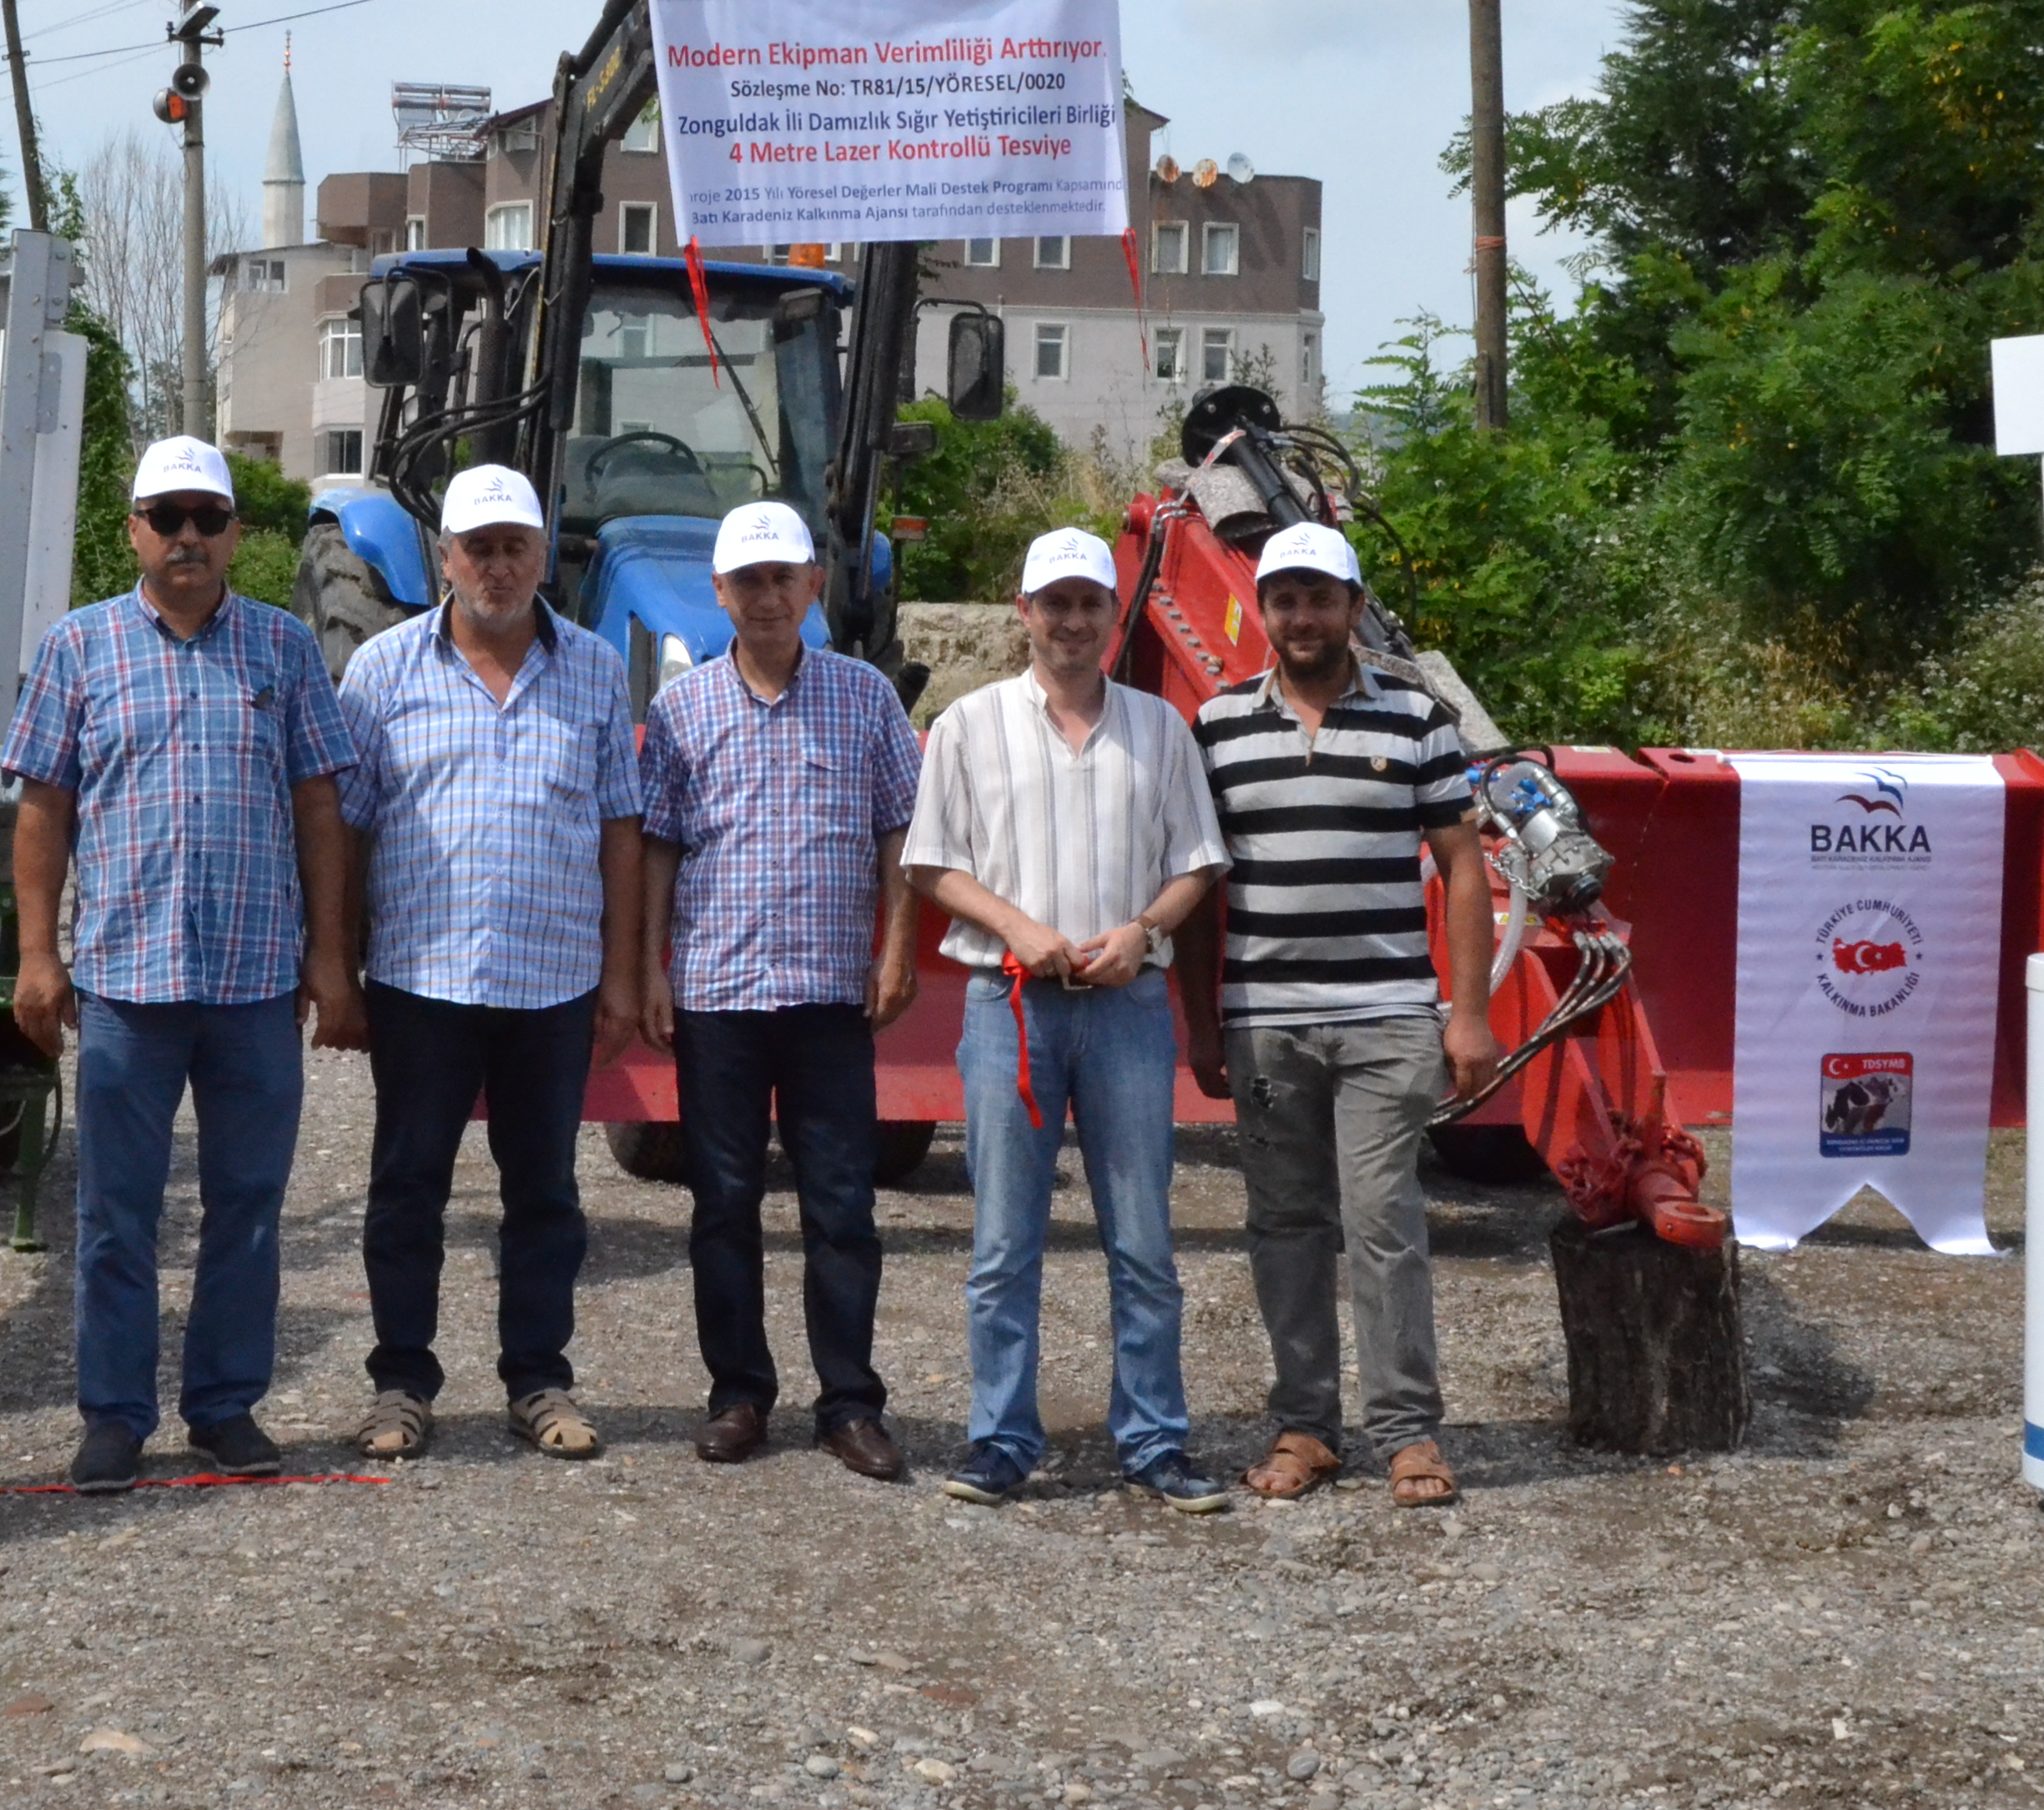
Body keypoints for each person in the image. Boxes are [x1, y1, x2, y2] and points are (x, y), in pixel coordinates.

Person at [3, 436, 360, 1491]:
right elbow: (43, 809)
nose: (190, 536)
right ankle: (115, 1416)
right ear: (134, 532)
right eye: (169, 517)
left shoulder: (286, 650)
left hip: (255, 982)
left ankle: (223, 1406)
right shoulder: (79, 647)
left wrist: (329, 958)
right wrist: (37, 955)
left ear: (238, 534)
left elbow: (320, 808)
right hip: (126, 981)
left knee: (248, 1206)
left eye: (210, 517)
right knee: (118, 1214)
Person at [904, 527, 1232, 1511]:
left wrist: (1141, 932)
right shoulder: (970, 724)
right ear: (1025, 613)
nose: (1074, 621)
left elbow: (1198, 863)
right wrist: (1017, 926)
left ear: (1111, 614)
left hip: (1127, 1007)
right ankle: (1001, 1436)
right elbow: (931, 862)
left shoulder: (1160, 729)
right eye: (1056, 603)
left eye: (1092, 603)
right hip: (1011, 1006)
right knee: (1005, 1242)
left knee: (1143, 1238)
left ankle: (1155, 1439)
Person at [1175, 521, 1495, 1510]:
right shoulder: (1218, 726)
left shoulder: (1415, 721)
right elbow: (1198, 886)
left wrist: (1469, 1014)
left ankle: (1407, 1432)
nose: (1303, 616)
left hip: (1387, 1019)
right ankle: (1307, 1424)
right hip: (1266, 1023)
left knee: (1385, 1221)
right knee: (1283, 1224)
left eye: (1322, 598)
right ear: (1261, 613)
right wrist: (1201, 1025)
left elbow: (1463, 869)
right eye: (1286, 599)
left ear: (1356, 609)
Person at [333, 463, 642, 1463]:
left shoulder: (595, 669)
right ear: (444, 558)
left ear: (543, 556)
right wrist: (335, 966)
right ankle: (400, 1385)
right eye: (479, 547)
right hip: (422, 979)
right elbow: (345, 831)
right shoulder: (381, 670)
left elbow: (621, 831)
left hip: (552, 980)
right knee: (408, 1185)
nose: (497, 566)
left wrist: (625, 974)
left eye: (516, 546)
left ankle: (538, 1380)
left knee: (544, 1192)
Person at [637, 500, 924, 1480]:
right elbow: (659, 849)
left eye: (783, 578)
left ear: (814, 586)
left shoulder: (866, 699)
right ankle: (739, 1393)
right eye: (747, 581)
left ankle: (848, 1401)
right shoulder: (681, 711)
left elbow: (900, 834)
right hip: (718, 992)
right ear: (718, 593)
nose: (766, 596)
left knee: (841, 1203)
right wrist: (648, 968)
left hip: (826, 996)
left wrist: (896, 949)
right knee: (722, 1202)